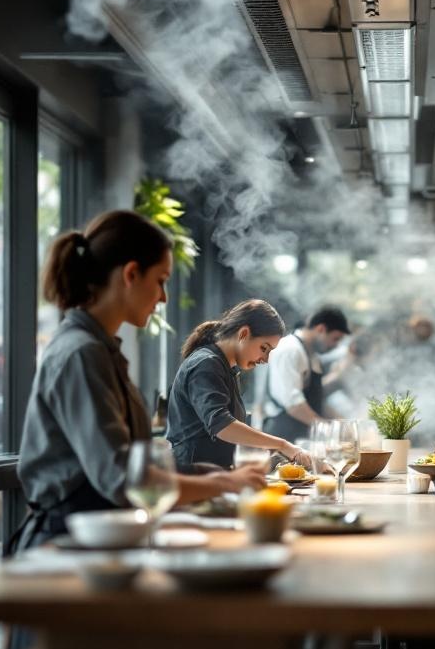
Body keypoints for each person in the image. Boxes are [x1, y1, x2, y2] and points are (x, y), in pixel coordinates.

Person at [15, 211, 267, 551]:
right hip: (69, 544)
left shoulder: (99, 349)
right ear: (131, 274)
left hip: (102, 536)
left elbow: (130, 462)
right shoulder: (82, 353)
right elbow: (123, 478)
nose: (163, 297)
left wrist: (205, 474)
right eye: (161, 280)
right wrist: (224, 482)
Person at [166, 300, 312, 473]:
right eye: (264, 348)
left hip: (216, 476)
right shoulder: (206, 364)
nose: (265, 359)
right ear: (244, 333)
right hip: (193, 478)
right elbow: (222, 426)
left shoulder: (224, 367)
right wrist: (282, 445)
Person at [262, 306, 351, 441]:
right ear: (321, 329)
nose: (336, 346)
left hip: (303, 439)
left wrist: (343, 423)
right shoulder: (290, 350)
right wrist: (330, 430)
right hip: (283, 438)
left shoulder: (312, 354)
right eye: (335, 339)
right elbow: (294, 405)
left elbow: (315, 401)